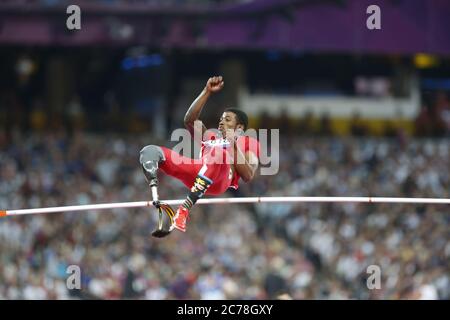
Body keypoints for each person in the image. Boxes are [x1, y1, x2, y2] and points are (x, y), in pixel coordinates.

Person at [139, 76, 260, 233]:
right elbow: (189, 120)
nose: (221, 122)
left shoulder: (249, 143)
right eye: (221, 119)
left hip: (221, 180)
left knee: (219, 153)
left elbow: (248, 175)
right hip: (198, 172)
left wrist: (234, 146)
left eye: (227, 120)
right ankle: (154, 190)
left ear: (240, 127)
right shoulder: (211, 136)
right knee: (151, 150)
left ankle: (184, 210)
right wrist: (206, 91)